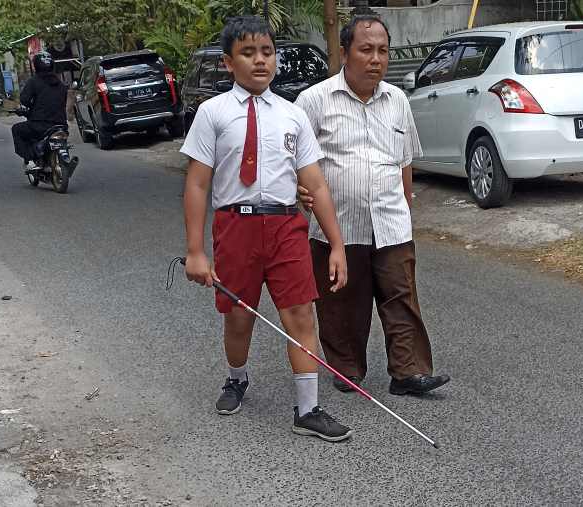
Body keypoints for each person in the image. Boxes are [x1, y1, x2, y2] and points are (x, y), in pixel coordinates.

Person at [181, 16, 353, 442]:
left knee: (299, 313)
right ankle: (236, 377)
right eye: (248, 53)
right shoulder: (213, 113)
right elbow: (198, 183)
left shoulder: (292, 116)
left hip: (285, 226)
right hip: (234, 226)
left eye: (267, 52)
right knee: (240, 317)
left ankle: (308, 409)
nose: (260, 61)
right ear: (228, 62)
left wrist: (336, 243)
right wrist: (196, 250)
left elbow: (314, 183)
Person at [295, 15, 450, 396]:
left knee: (402, 298)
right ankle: (347, 369)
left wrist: (405, 212)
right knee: (342, 303)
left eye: (382, 50)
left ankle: (408, 372)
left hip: (391, 223)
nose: (376, 59)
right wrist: (300, 194)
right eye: (366, 50)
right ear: (345, 52)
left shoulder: (398, 101)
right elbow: (295, 162)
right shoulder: (313, 102)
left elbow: (405, 162)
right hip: (337, 228)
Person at [11, 52, 68, 170]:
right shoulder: (61, 85)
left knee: (17, 129)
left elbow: (25, 100)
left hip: (40, 125)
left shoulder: (34, 82)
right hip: (61, 125)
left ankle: (30, 159)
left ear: (35, 66)